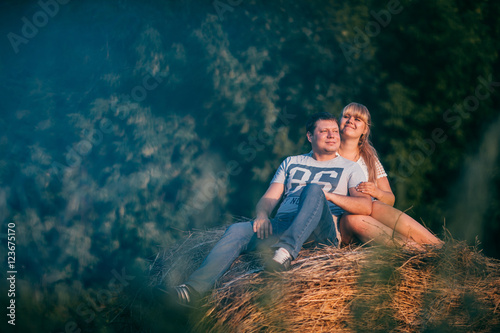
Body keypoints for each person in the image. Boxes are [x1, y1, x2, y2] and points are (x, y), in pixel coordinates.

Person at [166, 112, 371, 307]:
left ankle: (285, 253)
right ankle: (192, 291)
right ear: (309, 136)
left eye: (335, 131)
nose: (331, 135)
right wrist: (263, 215)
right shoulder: (292, 162)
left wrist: (327, 195)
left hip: (320, 231)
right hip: (283, 224)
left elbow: (365, 205)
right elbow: (270, 197)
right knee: (237, 230)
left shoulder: (350, 167)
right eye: (324, 131)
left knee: (314, 189)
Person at [337, 102, 442, 247]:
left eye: (357, 119)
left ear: (365, 129)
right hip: (342, 224)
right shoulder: (328, 154)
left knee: (375, 205)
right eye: (346, 116)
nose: (350, 121)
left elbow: (390, 200)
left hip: (368, 221)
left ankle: (438, 246)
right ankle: (417, 251)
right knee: (354, 217)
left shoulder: (369, 159)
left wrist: (376, 192)